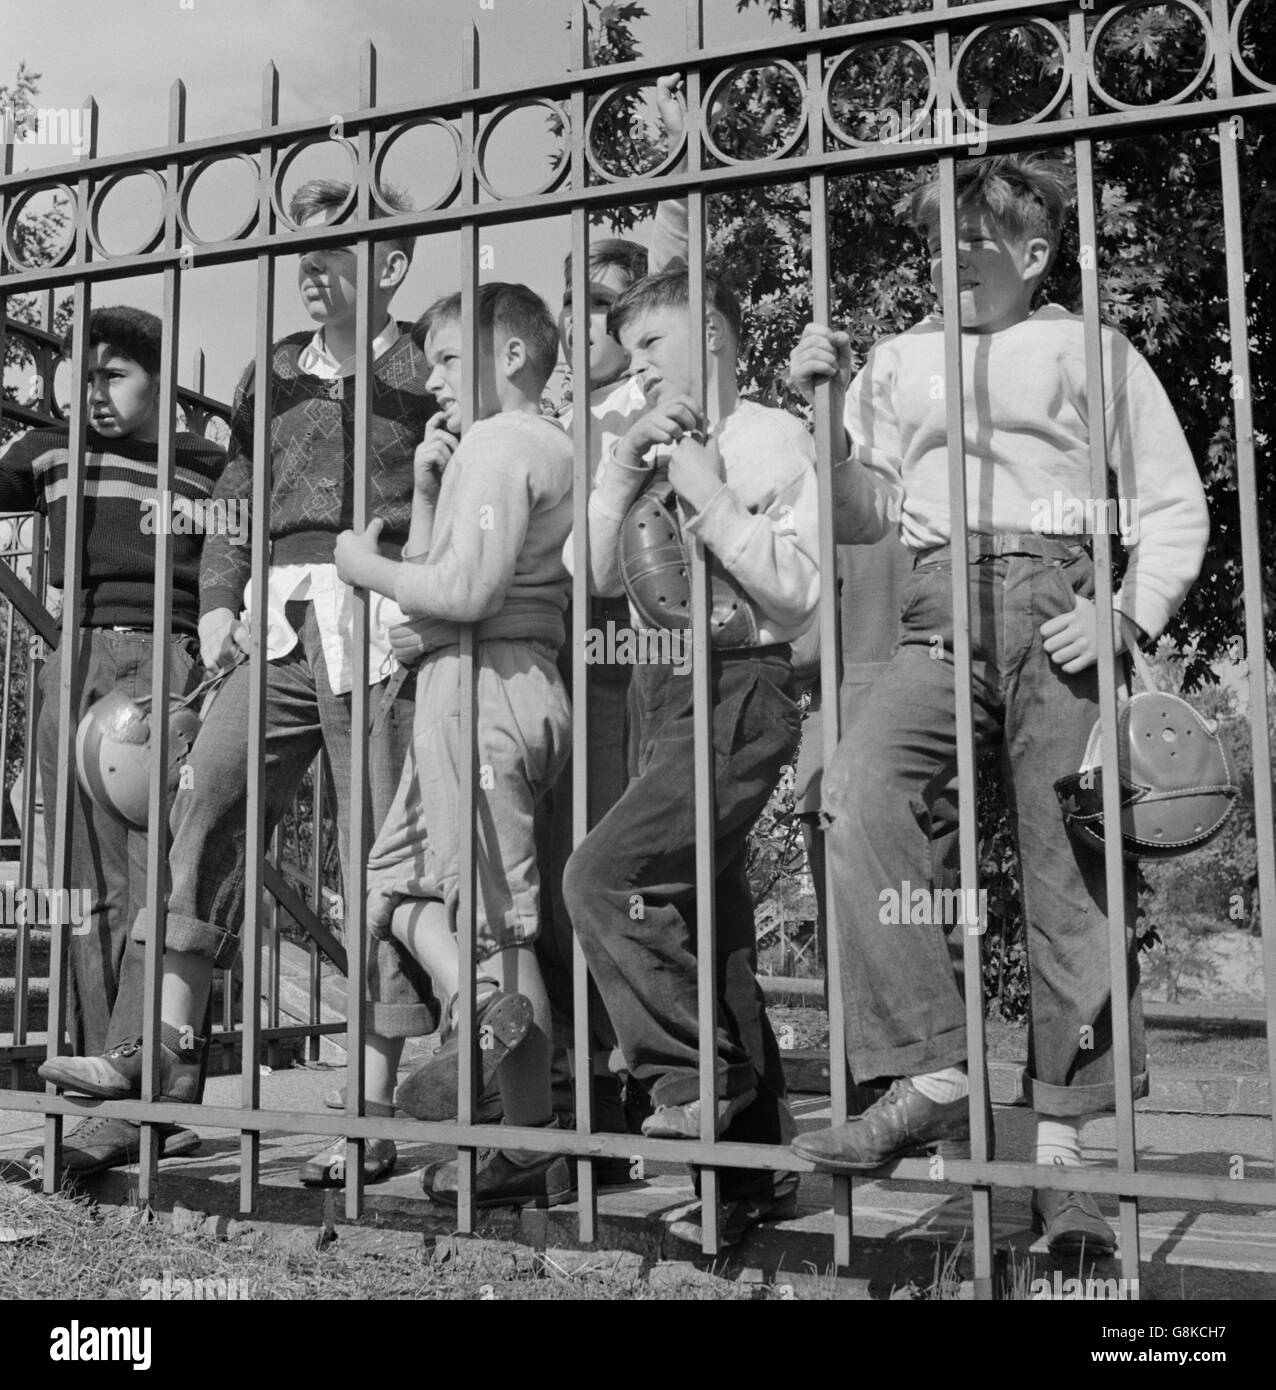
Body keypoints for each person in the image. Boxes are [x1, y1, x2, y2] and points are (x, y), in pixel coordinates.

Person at [788, 153, 1210, 1255]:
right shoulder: (894, 358)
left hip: (1057, 607)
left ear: (1031, 257)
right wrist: (825, 431)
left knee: (1069, 886)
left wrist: (1124, 614)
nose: (951, 266)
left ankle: (1068, 1174)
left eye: (973, 249)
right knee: (859, 789)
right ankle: (932, 1063)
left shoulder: (1087, 348)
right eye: (938, 247)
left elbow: (1171, 501)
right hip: (935, 620)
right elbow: (863, 515)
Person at [37, 184, 434, 1186]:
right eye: (299, 248)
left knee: (374, 865)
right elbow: (236, 495)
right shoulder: (269, 375)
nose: (306, 266)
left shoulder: (426, 366)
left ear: (388, 265)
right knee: (198, 810)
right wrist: (219, 599)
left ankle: (370, 1113)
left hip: (375, 629)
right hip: (274, 632)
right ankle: (157, 1079)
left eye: (333, 249)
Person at [561, 267, 820, 1245]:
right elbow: (591, 573)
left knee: (601, 878)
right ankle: (747, 1174)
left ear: (713, 337)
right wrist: (621, 471)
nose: (635, 375)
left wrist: (709, 495)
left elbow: (796, 593)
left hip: (740, 682)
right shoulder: (640, 445)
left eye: (651, 351)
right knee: (710, 924)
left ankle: (689, 1076)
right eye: (628, 360)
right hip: (657, 688)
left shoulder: (768, 436)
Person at [318, 282, 574, 1206]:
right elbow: (443, 582)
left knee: (500, 922)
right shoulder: (500, 447)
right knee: (390, 886)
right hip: (473, 689)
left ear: (512, 356)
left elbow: (455, 594)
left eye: (448, 357)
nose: (430, 379)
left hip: (485, 695)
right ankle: (476, 997)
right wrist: (427, 490)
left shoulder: (508, 442)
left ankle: (529, 1138)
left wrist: (362, 567)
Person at [1, 306, 226, 1176]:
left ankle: (155, 1088)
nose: (91, 394)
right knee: (83, 881)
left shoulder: (207, 467)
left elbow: (234, 565)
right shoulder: (50, 451)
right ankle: (107, 1087)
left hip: (165, 664)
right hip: (76, 657)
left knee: (160, 883)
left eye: (112, 376)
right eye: (80, 376)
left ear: (157, 381)